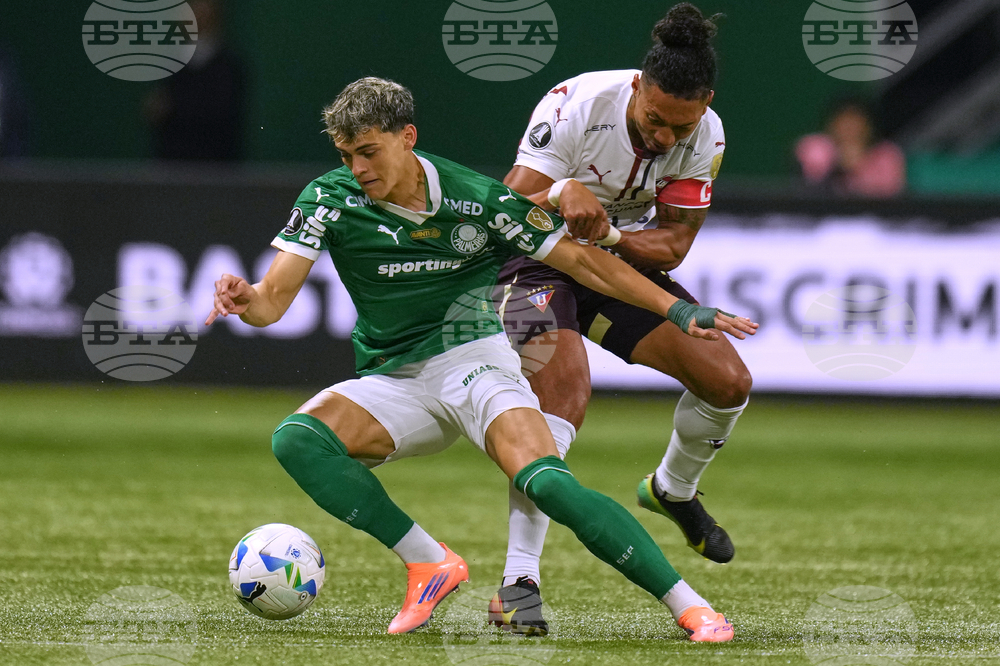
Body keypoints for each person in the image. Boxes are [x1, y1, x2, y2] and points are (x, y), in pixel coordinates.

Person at [206, 77, 756, 641]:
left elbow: (585, 262)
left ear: (407, 138)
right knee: (297, 440)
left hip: (475, 363)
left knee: (547, 483)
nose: (358, 168)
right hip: (396, 379)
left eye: (368, 152)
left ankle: (690, 606)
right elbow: (272, 303)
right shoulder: (327, 198)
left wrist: (677, 310)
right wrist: (247, 300)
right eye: (347, 156)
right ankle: (429, 562)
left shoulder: (474, 196)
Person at [489, 4, 753, 634]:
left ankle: (672, 490)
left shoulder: (707, 135)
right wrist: (561, 194)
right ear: (637, 87)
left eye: (679, 127)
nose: (664, 137)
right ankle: (518, 584)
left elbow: (673, 245)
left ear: (706, 104)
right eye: (654, 119)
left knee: (728, 382)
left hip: (612, 264)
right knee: (564, 395)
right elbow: (505, 208)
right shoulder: (576, 105)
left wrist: (607, 235)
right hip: (532, 260)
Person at [144, 0, 246, 160]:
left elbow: (221, 115)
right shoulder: (173, 63)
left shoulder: (229, 65)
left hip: (215, 163)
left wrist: (174, 109)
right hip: (174, 162)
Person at [794, 97, 905, 197]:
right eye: (844, 120)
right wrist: (841, 161)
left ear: (869, 126)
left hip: (871, 212)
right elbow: (810, 182)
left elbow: (890, 194)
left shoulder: (887, 154)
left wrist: (857, 164)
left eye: (856, 121)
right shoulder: (816, 146)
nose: (849, 127)